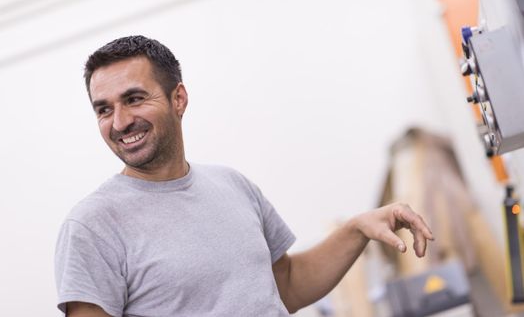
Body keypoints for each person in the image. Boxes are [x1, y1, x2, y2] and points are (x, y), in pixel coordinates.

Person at [54, 35, 434, 317]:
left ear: (178, 99)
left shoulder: (231, 185)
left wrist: (357, 228)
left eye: (134, 99)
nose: (120, 122)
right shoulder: (93, 226)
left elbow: (284, 285)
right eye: (104, 110)